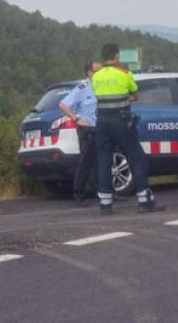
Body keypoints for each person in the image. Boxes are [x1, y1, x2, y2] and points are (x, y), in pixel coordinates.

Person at [91, 43, 165, 215]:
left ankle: (105, 204)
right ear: (117, 56)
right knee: (136, 157)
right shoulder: (124, 73)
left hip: (101, 121)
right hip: (121, 121)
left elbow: (97, 94)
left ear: (104, 56)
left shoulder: (96, 76)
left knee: (104, 160)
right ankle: (144, 200)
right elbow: (135, 94)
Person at [59, 60, 102, 206]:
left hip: (101, 128)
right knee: (86, 163)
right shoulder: (82, 88)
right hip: (87, 129)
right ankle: (79, 194)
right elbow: (63, 105)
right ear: (89, 72)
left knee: (102, 162)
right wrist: (76, 118)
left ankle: (103, 193)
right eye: (96, 71)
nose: (99, 74)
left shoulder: (103, 86)